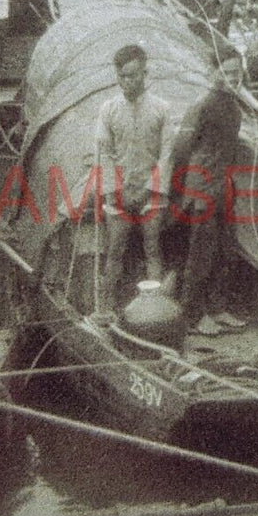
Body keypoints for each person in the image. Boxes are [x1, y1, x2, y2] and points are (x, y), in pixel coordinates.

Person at [96, 43, 173, 315]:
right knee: (114, 252)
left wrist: (151, 192)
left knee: (153, 250)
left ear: (144, 73)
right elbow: (104, 154)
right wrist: (115, 191)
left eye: (132, 75)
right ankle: (105, 309)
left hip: (151, 195)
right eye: (121, 77)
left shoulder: (162, 109)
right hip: (119, 194)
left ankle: (156, 311)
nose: (126, 82)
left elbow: (166, 154)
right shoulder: (108, 110)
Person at [170, 50, 245, 331]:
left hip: (224, 187)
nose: (233, 78)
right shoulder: (203, 105)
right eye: (227, 72)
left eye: (237, 73)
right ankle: (191, 316)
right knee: (201, 253)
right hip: (202, 188)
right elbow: (182, 148)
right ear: (213, 73)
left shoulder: (234, 106)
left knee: (225, 250)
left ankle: (217, 307)